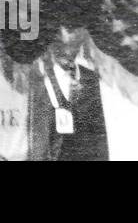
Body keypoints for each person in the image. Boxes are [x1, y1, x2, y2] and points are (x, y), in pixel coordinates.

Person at [28, 27, 109, 161]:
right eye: (62, 45)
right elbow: (38, 138)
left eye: (74, 45)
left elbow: (99, 137)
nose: (69, 51)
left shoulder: (90, 79)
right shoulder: (40, 78)